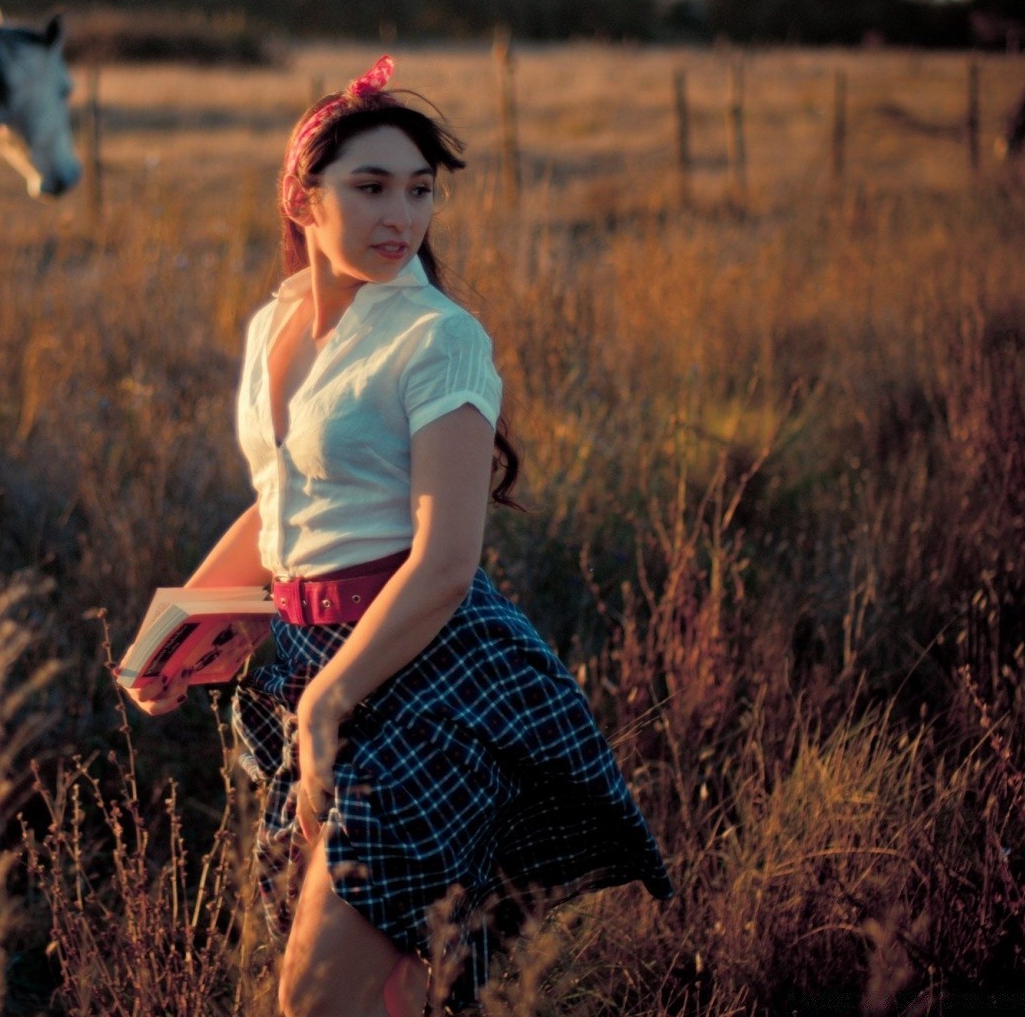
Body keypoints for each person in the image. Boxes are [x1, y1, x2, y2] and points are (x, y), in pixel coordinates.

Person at [130, 57, 673, 1016]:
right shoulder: (274, 324)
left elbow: (447, 562)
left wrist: (330, 702)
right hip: (304, 661)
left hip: (425, 673)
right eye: (370, 187)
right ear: (302, 198)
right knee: (388, 989)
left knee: (318, 993)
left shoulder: (437, 338)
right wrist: (176, 633)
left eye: (419, 191)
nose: (401, 217)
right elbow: (281, 502)